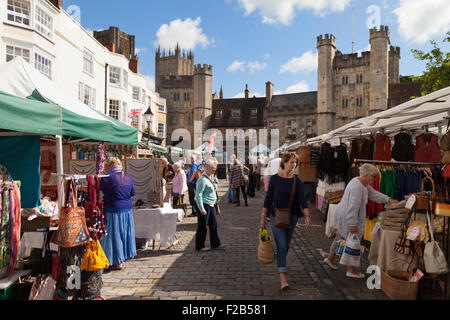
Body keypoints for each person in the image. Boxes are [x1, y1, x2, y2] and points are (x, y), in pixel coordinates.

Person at [323, 164, 398, 278]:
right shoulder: (357, 188)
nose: (375, 179)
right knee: (353, 242)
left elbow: (373, 194)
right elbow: (353, 208)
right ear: (367, 175)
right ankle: (351, 270)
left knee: (341, 237)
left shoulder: (360, 183)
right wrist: (353, 224)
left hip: (345, 215)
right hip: (348, 217)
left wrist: (388, 199)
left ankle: (330, 258)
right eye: (373, 177)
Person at [261, 152, 311, 291]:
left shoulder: (297, 181)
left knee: (286, 246)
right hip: (276, 216)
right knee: (282, 246)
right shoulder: (275, 179)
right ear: (284, 163)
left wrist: (307, 216)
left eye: (295, 163)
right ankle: (283, 279)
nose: (294, 165)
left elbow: (302, 201)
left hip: (293, 217)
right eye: (291, 162)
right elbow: (268, 198)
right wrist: (263, 217)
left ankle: (280, 260)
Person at [100, 157, 137, 271]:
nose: (104, 168)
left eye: (105, 166)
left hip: (113, 209)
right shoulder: (127, 176)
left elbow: (98, 188)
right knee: (124, 234)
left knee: (113, 236)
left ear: (110, 165)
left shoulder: (108, 177)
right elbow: (133, 192)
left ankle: (115, 261)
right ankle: (121, 259)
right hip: (126, 210)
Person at [195, 158, 224, 252]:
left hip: (211, 205)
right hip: (204, 204)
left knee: (214, 225)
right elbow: (198, 195)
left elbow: (213, 189)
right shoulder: (202, 179)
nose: (214, 169)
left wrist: (216, 182)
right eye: (213, 168)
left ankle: (215, 244)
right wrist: (201, 208)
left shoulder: (209, 177)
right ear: (206, 168)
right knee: (202, 226)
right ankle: (200, 246)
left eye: (215, 168)